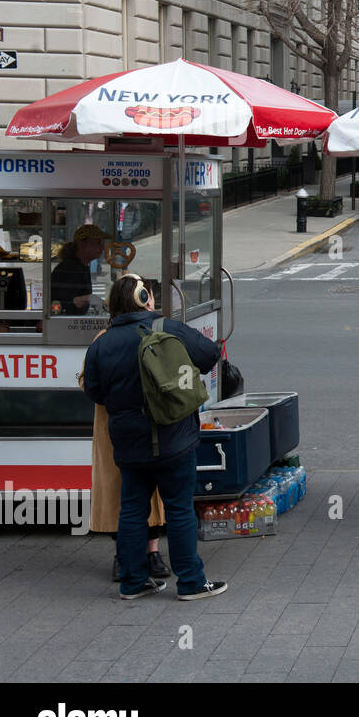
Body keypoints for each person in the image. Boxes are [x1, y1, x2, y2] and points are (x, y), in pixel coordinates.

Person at [81, 274, 224, 600]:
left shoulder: (102, 342)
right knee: (179, 509)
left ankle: (133, 583)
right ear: (145, 298)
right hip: (174, 438)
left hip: (129, 445)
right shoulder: (167, 328)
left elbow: (95, 391)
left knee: (131, 509)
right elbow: (208, 355)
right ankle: (190, 582)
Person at [83, 327, 170, 582]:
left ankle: (152, 552)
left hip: (147, 422)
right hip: (114, 426)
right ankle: (122, 555)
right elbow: (88, 383)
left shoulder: (152, 330)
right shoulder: (103, 338)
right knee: (116, 492)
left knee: (151, 491)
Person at [51, 223, 110, 315]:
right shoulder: (69, 269)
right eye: (97, 243)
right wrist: (88, 298)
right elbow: (62, 304)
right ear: (82, 244)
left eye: (102, 243)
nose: (102, 248)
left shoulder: (81, 266)